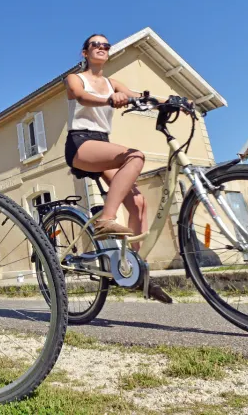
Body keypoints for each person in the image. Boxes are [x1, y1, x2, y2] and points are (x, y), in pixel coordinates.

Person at [64, 33, 172, 304]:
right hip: (80, 143)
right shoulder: (76, 78)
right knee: (135, 157)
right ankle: (106, 219)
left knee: (138, 203)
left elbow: (141, 97)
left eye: (106, 45)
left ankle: (137, 270)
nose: (102, 48)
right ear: (85, 53)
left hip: (102, 143)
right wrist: (109, 100)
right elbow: (80, 96)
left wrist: (174, 101)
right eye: (96, 45)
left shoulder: (112, 83)